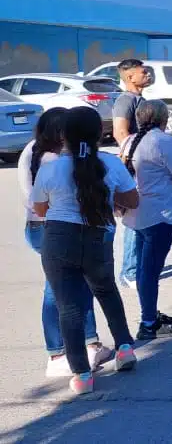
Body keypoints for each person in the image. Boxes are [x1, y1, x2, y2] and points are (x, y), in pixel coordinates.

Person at [32, 106, 139, 395]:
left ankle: (81, 375)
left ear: (63, 134)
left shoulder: (50, 167)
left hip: (58, 238)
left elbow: (39, 209)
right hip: (98, 236)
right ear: (98, 134)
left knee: (69, 306)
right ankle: (125, 348)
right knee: (106, 291)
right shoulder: (110, 164)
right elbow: (133, 199)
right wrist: (108, 197)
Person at [19, 108, 114, 378]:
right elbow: (38, 202)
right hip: (50, 227)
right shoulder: (52, 160)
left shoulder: (36, 152)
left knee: (72, 286)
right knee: (61, 290)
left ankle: (87, 342)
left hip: (43, 226)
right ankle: (59, 351)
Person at [121, 100, 172, 340]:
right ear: (164, 119)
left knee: (146, 269)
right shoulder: (163, 141)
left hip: (138, 213)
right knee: (150, 270)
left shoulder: (130, 141)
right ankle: (149, 323)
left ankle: (150, 314)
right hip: (160, 213)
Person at [112, 58, 151, 289]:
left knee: (143, 217)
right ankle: (129, 271)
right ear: (129, 77)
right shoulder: (125, 101)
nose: (147, 75)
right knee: (134, 219)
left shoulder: (140, 99)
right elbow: (121, 133)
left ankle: (138, 266)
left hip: (145, 165)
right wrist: (135, 159)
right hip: (135, 167)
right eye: (143, 72)